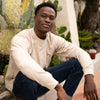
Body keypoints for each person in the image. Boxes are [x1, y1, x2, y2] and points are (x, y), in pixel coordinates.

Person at [5, 2, 98, 100]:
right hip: (20, 85)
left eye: (51, 18)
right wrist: (58, 87)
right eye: (43, 16)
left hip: (40, 83)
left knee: (77, 63)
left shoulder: (53, 40)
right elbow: (26, 66)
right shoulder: (21, 38)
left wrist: (89, 76)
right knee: (26, 76)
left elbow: (80, 53)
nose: (47, 20)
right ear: (35, 18)